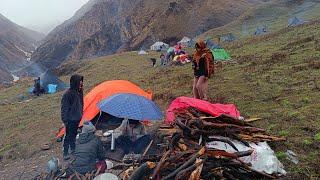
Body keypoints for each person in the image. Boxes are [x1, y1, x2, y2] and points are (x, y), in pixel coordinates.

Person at [61, 74, 84, 160]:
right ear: (75, 83)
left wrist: (81, 114)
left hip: (77, 118)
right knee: (68, 136)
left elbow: (81, 103)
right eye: (80, 83)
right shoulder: (68, 94)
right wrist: (65, 120)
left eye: (82, 83)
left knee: (74, 134)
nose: (81, 85)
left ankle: (73, 149)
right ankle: (65, 152)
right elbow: (64, 108)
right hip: (70, 119)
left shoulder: (79, 92)